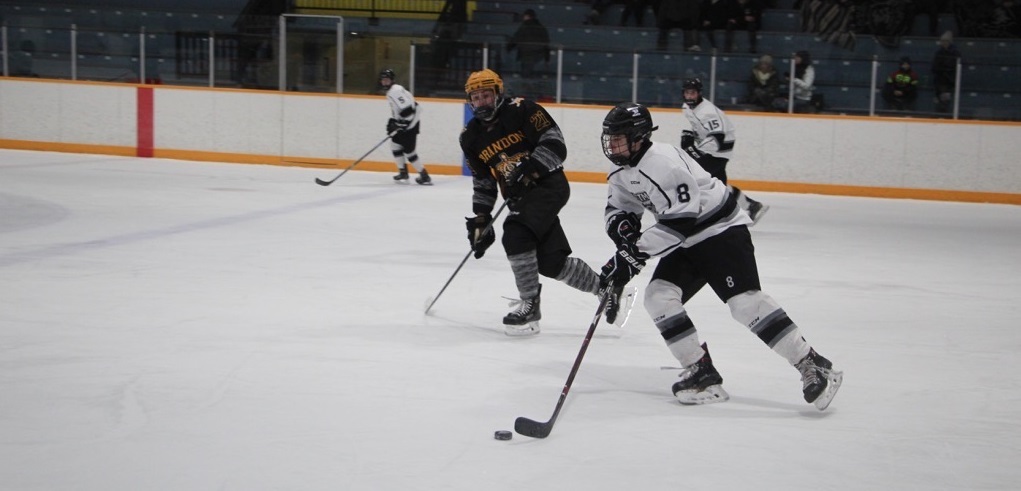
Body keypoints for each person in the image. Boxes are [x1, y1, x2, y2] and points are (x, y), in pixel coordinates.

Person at [596, 102, 843, 410]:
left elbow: (681, 222)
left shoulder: (664, 163)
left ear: (639, 137)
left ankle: (814, 364)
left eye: (619, 137)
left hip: (720, 231)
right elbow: (619, 207)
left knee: (744, 304)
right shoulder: (621, 168)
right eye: (609, 137)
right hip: (686, 241)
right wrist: (624, 232)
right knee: (658, 296)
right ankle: (702, 372)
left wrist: (633, 255)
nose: (612, 144)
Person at [459, 68, 635, 336]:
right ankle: (604, 288)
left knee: (516, 234)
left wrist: (530, 169)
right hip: (519, 197)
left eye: (486, 95)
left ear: (498, 93)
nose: (482, 101)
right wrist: (482, 218)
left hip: (548, 185)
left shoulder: (523, 110)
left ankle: (530, 304)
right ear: (470, 100)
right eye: (476, 97)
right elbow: (483, 181)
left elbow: (556, 144)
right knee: (550, 263)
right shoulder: (470, 136)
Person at [680, 77, 769, 224]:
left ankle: (699, 213)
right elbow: (702, 128)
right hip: (711, 149)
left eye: (693, 93)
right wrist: (692, 135)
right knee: (718, 184)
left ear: (699, 93)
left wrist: (693, 149)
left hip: (719, 151)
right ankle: (751, 205)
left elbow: (717, 140)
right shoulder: (687, 107)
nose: (690, 96)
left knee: (696, 178)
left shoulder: (708, 112)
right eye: (687, 93)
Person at [379, 69, 430, 185]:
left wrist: (402, 124)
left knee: (409, 152)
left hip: (410, 124)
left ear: (392, 80)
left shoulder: (394, 91)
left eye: (387, 80)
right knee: (395, 145)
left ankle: (424, 175)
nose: (385, 83)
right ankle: (403, 172)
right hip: (404, 123)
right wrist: (397, 122)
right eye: (383, 80)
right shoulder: (393, 90)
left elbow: (408, 110)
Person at [506, 9, 550, 78]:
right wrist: (547, 57)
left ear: (527, 16)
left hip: (526, 54)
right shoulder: (541, 27)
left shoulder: (524, 26)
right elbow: (546, 42)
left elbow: (516, 38)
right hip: (539, 54)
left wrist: (509, 47)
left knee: (526, 74)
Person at [931, 31, 961, 113]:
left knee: (946, 97)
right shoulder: (938, 53)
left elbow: (955, 66)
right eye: (942, 41)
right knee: (939, 96)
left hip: (949, 80)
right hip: (939, 79)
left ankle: (945, 111)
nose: (943, 43)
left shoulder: (955, 53)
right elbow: (934, 66)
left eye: (945, 41)